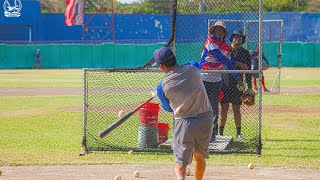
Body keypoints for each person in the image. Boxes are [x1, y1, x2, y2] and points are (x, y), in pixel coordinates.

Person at [154, 47, 213, 180]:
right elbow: (193, 62)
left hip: (184, 122)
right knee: (199, 156)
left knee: (181, 163)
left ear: (162, 66)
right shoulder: (193, 69)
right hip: (205, 119)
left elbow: (169, 109)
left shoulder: (162, 87)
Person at [199, 21, 248, 142]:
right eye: (216, 30)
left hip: (216, 80)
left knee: (214, 108)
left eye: (221, 30)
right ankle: (199, 133)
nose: (218, 32)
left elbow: (228, 65)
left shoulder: (226, 47)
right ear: (213, 31)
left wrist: (237, 79)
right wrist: (238, 63)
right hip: (204, 78)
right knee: (201, 107)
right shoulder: (210, 42)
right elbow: (220, 58)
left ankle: (212, 135)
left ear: (224, 33)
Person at [219, 30, 252, 140]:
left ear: (242, 39)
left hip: (238, 85)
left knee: (236, 109)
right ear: (232, 38)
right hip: (224, 83)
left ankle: (238, 133)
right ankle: (220, 133)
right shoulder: (226, 50)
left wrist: (249, 87)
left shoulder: (245, 53)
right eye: (235, 36)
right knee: (224, 109)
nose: (237, 38)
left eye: (240, 37)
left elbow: (247, 71)